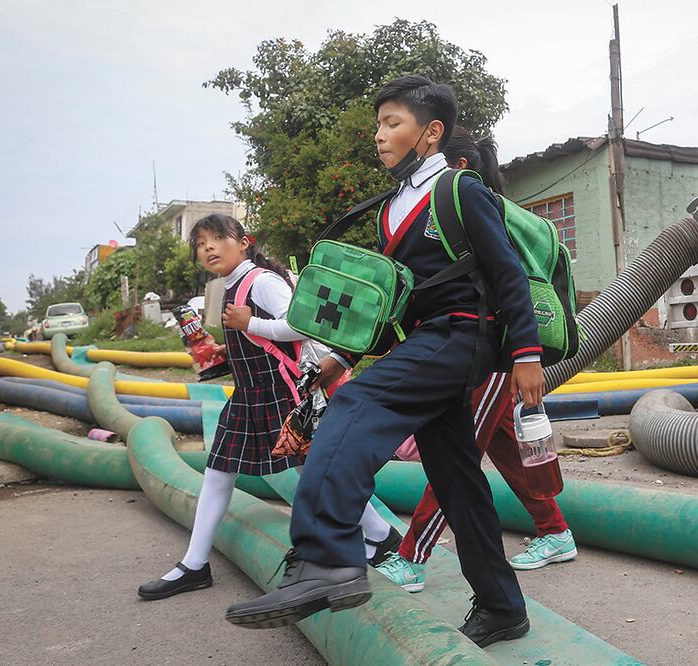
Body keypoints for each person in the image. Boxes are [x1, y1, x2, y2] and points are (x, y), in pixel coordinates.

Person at [225, 75, 545, 649]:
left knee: (357, 403)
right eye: (378, 124)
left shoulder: (460, 190)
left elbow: (508, 275)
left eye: (392, 122)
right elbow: (389, 299)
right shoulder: (393, 207)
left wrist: (525, 354)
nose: (378, 135)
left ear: (432, 132)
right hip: (423, 339)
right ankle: (502, 606)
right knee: (455, 479)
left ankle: (327, 558)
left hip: (460, 336)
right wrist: (339, 355)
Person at [137, 214, 399, 601]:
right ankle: (194, 564)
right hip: (248, 393)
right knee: (219, 471)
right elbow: (260, 337)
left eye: (217, 238)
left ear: (244, 242)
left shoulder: (259, 281)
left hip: (281, 392)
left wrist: (251, 326)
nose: (208, 247)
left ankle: (380, 534)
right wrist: (230, 350)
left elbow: (304, 324)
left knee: (315, 468)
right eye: (201, 243)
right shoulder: (230, 285)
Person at [377, 127, 576, 594]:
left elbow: (507, 284)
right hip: (487, 351)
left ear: (459, 169)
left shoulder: (471, 205)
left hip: (491, 352)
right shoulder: (465, 210)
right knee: (503, 444)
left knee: (455, 458)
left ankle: (411, 558)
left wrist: (523, 356)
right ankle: (556, 532)